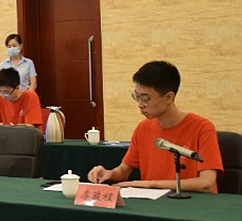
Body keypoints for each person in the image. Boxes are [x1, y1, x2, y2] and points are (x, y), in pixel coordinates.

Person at [87, 61, 223, 193]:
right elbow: (122, 172)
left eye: (146, 99)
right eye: (137, 97)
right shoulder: (143, 128)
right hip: (154, 202)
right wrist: (108, 173)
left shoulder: (202, 128)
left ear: (168, 97)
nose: (140, 104)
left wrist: (151, 184)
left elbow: (206, 183)